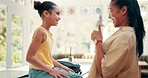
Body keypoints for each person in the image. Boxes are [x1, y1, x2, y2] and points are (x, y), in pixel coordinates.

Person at [88, 0, 145, 78]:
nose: (109, 16)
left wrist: (98, 41)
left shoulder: (125, 37)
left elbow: (104, 72)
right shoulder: (126, 34)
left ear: (123, 10)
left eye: (111, 10)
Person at [26, 1, 82, 78]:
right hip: (38, 72)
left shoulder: (49, 33)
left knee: (76, 73)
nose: (59, 18)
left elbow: (48, 59)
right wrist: (51, 70)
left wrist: (63, 67)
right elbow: (29, 57)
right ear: (46, 14)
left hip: (47, 69)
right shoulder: (40, 31)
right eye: (57, 13)